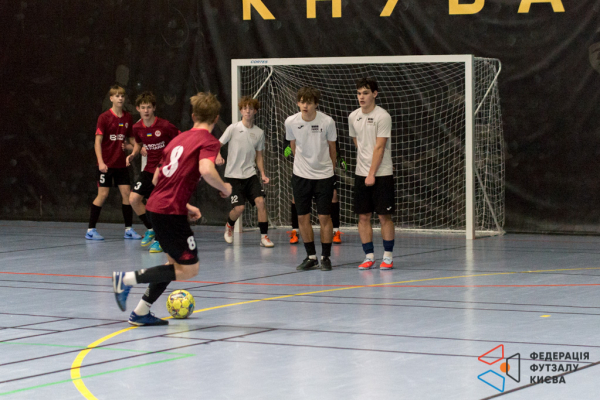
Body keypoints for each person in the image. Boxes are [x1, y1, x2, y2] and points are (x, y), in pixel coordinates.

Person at [112, 92, 232, 326]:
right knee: (189, 269)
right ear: (216, 118)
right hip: (169, 212)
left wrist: (184, 204)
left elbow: (157, 178)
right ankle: (126, 279)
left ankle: (140, 312)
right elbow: (206, 170)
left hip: (158, 206)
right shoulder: (209, 141)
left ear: (193, 115)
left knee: (171, 265)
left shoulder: (178, 139)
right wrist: (225, 187)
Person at [285, 87, 337, 271]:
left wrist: (330, 170)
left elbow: (332, 148)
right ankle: (311, 257)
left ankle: (325, 257)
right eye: (301, 102)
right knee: (302, 217)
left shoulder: (327, 122)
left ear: (316, 104)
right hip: (301, 177)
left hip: (324, 177)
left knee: (324, 217)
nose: (304, 105)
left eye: (308, 102)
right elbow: (293, 145)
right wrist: (303, 165)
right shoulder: (291, 122)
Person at [349, 78, 395, 270]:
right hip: (361, 173)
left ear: (375, 94)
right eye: (359, 93)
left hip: (381, 174)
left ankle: (388, 257)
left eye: (366, 93)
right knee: (363, 217)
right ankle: (368, 256)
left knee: (384, 217)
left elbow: (379, 147)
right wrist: (364, 168)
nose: (361, 97)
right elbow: (357, 141)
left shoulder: (382, 116)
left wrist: (371, 173)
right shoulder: (353, 116)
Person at [216, 96, 273, 247]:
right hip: (233, 176)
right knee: (239, 208)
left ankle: (264, 237)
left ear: (255, 111)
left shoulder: (259, 133)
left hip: (250, 174)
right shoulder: (233, 128)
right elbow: (217, 144)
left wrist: (263, 173)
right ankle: (229, 225)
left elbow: (259, 155)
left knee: (260, 202)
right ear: (241, 111)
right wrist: (218, 155)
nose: (247, 111)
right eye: (244, 108)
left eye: (250, 108)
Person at [86, 84, 141, 241]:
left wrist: (138, 147)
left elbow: (131, 139)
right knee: (103, 194)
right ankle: (90, 230)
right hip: (106, 165)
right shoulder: (104, 118)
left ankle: (128, 230)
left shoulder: (128, 117)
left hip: (121, 164)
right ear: (111, 98)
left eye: (122, 96)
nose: (120, 98)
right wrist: (101, 162)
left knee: (127, 194)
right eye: (117, 96)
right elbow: (97, 142)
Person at [127, 91, 180, 253]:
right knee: (134, 199)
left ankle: (161, 239)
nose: (146, 110)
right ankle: (151, 228)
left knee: (158, 206)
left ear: (154, 108)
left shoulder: (165, 125)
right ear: (138, 109)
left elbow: (180, 140)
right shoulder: (137, 127)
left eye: (149, 107)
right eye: (143, 107)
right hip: (149, 169)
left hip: (165, 171)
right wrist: (133, 154)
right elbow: (138, 143)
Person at [284, 143, 345, 245]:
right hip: (304, 170)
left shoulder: (326, 132)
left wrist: (338, 158)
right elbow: (289, 142)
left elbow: (333, 144)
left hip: (323, 170)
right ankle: (295, 231)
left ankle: (336, 231)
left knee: (333, 196)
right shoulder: (296, 132)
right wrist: (287, 148)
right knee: (296, 198)